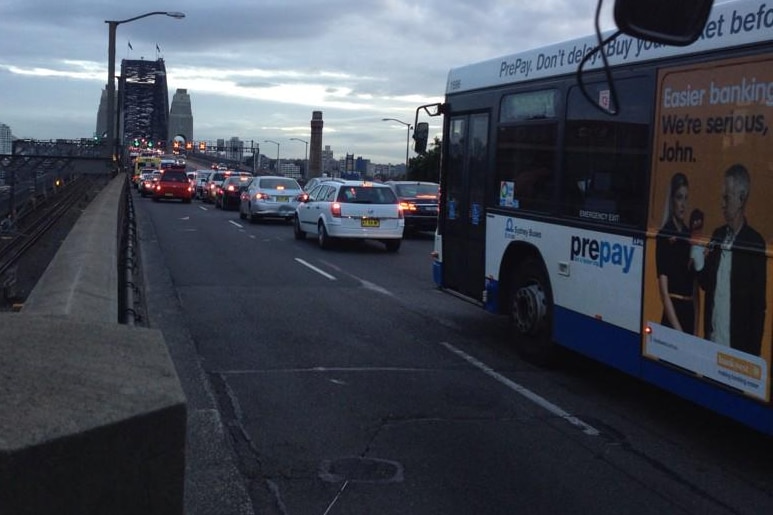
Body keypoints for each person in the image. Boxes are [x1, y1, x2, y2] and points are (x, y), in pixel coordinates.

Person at [697, 164, 766, 355]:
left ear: (742, 198)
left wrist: (753, 357)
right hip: (712, 342)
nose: (722, 203)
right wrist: (699, 261)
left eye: (727, 197)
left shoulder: (754, 242)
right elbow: (705, 284)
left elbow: (758, 308)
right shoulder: (717, 235)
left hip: (736, 351)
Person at [656, 172, 698, 334]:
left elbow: (695, 291)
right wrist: (679, 333)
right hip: (672, 318)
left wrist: (694, 331)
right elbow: (664, 293)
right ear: (672, 200)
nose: (683, 204)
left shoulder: (690, 236)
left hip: (689, 315)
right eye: (679, 197)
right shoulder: (664, 236)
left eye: (686, 198)